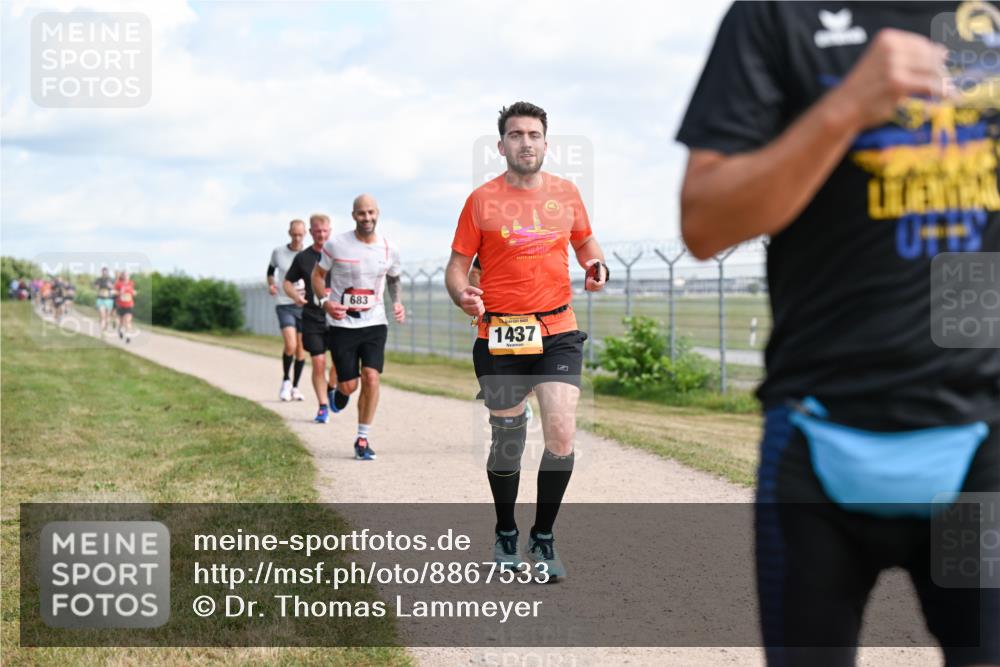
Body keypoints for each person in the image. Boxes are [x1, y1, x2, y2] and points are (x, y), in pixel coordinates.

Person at [676, 4, 999, 665]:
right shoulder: (774, 15)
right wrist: (844, 108)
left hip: (980, 446)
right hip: (819, 439)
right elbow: (705, 222)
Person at [445, 101, 608, 579]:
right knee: (508, 440)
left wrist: (595, 265)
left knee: (561, 432)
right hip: (499, 332)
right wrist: (462, 295)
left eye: (533, 134)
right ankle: (505, 532)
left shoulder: (567, 192)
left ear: (545, 142)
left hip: (557, 327)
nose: (526, 142)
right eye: (516, 135)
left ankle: (543, 537)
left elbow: (585, 243)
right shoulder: (481, 201)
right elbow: (457, 266)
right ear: (502, 146)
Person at [312, 194, 405, 460]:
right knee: (350, 385)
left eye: (371, 213)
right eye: (362, 213)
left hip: (375, 322)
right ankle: (340, 391)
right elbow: (317, 276)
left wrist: (397, 302)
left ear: (378, 213)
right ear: (353, 215)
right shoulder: (336, 245)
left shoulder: (389, 248)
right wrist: (325, 302)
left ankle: (362, 439)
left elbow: (394, 278)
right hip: (341, 324)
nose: (367, 218)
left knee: (372, 377)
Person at [284, 214, 341, 423]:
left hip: (338, 317)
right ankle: (322, 406)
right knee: (318, 362)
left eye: (325, 231)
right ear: (311, 232)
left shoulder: (339, 255)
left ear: (330, 231)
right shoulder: (304, 258)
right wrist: (296, 296)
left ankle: (332, 387)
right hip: (313, 316)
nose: (321, 235)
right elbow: (288, 282)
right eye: (317, 231)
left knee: (339, 363)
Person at [268, 219, 308, 402]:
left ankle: (295, 387)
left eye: (300, 234)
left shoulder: (309, 253)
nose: (297, 238)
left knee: (301, 350)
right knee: (290, 345)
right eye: (294, 234)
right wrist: (271, 285)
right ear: (289, 233)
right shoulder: (279, 252)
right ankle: (285, 381)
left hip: (304, 305)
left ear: (305, 234)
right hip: (284, 303)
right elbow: (270, 270)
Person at [114, 271, 138, 343]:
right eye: (125, 275)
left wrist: (134, 292)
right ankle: (120, 330)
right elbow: (114, 292)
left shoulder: (131, 283)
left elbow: (133, 292)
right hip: (121, 305)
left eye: (128, 275)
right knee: (121, 322)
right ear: (123, 276)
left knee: (128, 321)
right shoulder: (119, 284)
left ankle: (128, 336)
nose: (126, 276)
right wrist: (119, 293)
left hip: (129, 305)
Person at [93, 267, 116, 335]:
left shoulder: (111, 279)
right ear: (101, 272)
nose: (104, 273)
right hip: (100, 299)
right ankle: (102, 331)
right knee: (102, 315)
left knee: (107, 316)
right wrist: (96, 287)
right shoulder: (98, 279)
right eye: (103, 272)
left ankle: (105, 329)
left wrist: (111, 286)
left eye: (105, 272)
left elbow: (115, 288)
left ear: (108, 272)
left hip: (109, 300)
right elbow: (94, 286)